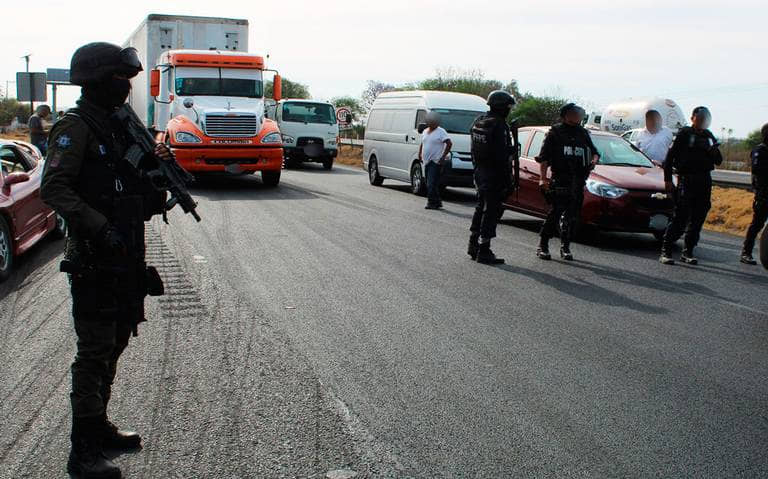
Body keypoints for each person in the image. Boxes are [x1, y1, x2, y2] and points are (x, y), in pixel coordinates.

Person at [41, 42, 174, 479]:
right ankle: (81, 454)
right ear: (99, 82)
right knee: (94, 353)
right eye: (119, 80)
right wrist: (99, 226)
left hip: (126, 255)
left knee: (116, 344)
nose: (125, 87)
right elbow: (55, 189)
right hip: (94, 259)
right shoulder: (75, 128)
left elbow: (133, 192)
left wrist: (158, 184)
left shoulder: (119, 127)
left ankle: (99, 429)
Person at [536, 103, 600, 261]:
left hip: (578, 180)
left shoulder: (583, 133)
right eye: (573, 114)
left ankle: (565, 246)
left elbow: (595, 153)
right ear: (565, 115)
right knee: (556, 213)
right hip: (561, 179)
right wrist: (543, 178)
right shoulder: (555, 133)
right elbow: (543, 158)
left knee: (572, 215)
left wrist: (593, 161)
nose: (577, 116)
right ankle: (543, 245)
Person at [660, 106, 723, 265]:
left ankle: (688, 251)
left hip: (704, 181)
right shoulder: (684, 134)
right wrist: (667, 180)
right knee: (681, 216)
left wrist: (713, 150)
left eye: (705, 119)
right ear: (693, 118)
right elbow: (670, 158)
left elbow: (719, 160)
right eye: (700, 118)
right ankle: (666, 251)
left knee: (698, 217)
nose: (702, 121)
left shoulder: (709, 136)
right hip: (687, 179)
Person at [468, 90, 516, 264]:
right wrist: (508, 178)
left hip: (480, 171)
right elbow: (501, 155)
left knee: (481, 207)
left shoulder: (479, 121)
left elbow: (474, 148)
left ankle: (473, 245)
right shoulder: (499, 125)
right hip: (494, 173)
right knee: (491, 211)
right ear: (503, 107)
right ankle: (484, 249)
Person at [740, 123, 768, 265]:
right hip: (764, 194)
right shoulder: (760, 151)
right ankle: (746, 252)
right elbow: (758, 170)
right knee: (757, 224)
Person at [418, 111, 452, 209]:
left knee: (431, 183)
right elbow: (422, 143)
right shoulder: (425, 131)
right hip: (426, 161)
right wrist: (420, 153)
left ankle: (431, 202)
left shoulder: (441, 132)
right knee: (428, 182)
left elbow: (449, 143)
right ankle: (437, 201)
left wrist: (443, 156)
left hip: (436, 161)